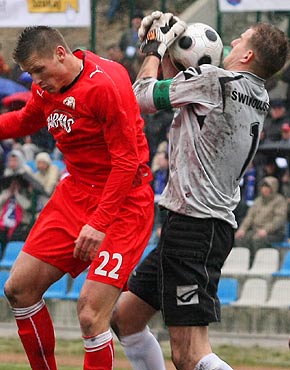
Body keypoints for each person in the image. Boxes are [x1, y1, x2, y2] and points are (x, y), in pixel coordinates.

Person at [0, 25, 154, 370]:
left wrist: (99, 223)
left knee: (91, 314)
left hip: (122, 200)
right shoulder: (46, 88)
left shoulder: (107, 82)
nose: (36, 80)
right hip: (76, 192)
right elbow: (23, 121)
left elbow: (127, 161)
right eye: (31, 73)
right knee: (18, 288)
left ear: (60, 54)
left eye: (39, 70)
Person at [110, 11, 289, 370]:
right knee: (125, 319)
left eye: (241, 39)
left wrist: (153, 49)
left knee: (190, 353)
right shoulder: (257, 95)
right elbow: (186, 102)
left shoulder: (213, 81)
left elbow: (141, 96)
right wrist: (172, 61)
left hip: (195, 227)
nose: (233, 41)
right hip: (197, 224)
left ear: (248, 55)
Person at [235, 176, 287, 263]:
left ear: (273, 188)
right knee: (240, 239)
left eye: (268, 187)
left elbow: (279, 220)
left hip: (275, 233)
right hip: (256, 230)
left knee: (257, 240)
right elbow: (249, 217)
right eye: (263, 187)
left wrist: (266, 230)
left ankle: (259, 263)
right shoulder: (258, 201)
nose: (265, 189)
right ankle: (243, 263)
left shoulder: (280, 201)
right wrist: (242, 229)